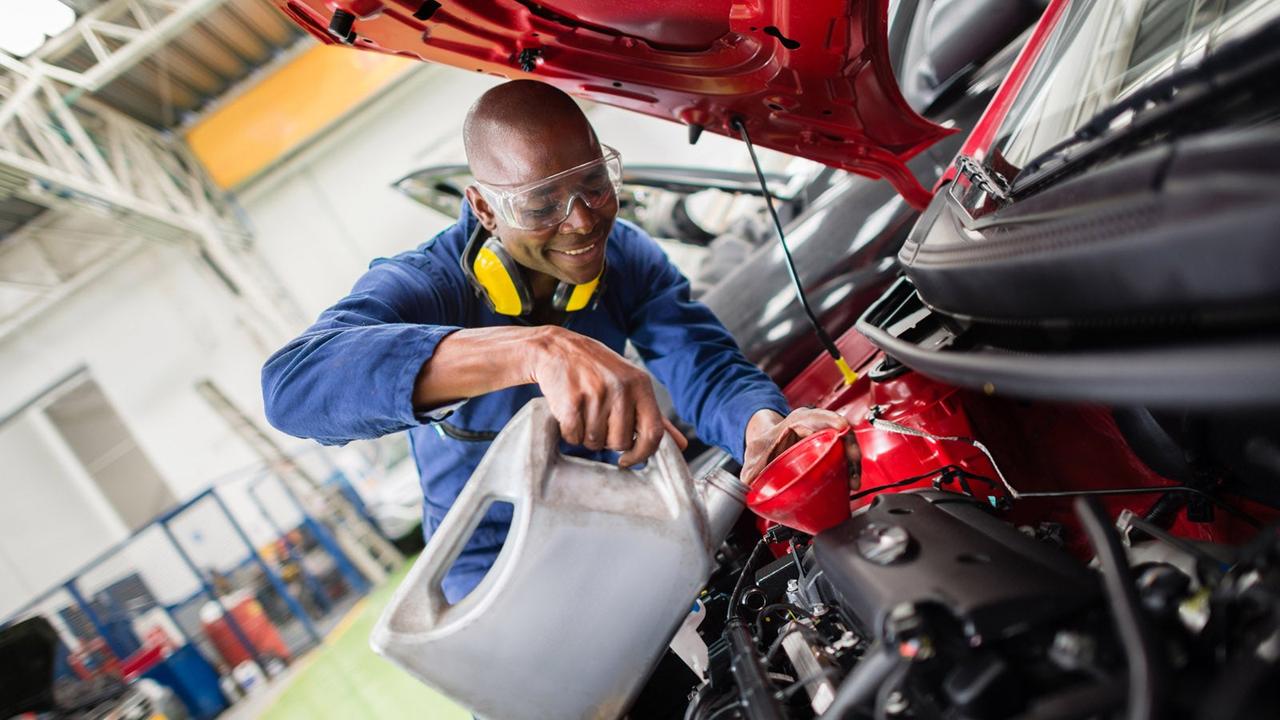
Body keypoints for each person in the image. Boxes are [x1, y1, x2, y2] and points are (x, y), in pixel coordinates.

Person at [261, 80, 853, 602]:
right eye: (542, 204)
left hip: (624, 533)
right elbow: (293, 386)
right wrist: (531, 350)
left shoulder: (626, 260)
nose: (582, 220)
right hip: (492, 580)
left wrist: (759, 425)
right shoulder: (428, 283)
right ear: (484, 209)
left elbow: (706, 366)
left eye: (594, 184)